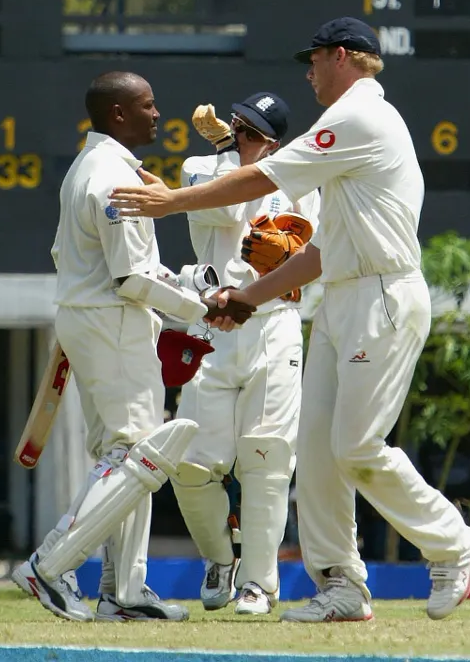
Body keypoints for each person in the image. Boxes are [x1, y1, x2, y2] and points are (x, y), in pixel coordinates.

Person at [109, 18, 470, 623]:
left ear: (342, 56)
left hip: (381, 296)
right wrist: (247, 298)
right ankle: (341, 585)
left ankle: (451, 540)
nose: (307, 72)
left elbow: (263, 176)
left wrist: (173, 200)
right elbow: (317, 253)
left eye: (313, 60)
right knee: (315, 454)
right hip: (340, 297)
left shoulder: (360, 116)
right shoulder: (346, 133)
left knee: (357, 447)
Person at [11, 70, 251, 624]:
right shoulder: (114, 180)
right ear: (118, 113)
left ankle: (124, 592)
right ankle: (49, 566)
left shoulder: (88, 168)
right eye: (146, 106)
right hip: (114, 322)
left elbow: (91, 261)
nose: (156, 114)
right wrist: (204, 307)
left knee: (124, 456)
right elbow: (131, 279)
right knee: (137, 456)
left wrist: (189, 288)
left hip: (93, 320)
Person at [172, 92, 320, 616]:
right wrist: (235, 156)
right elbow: (227, 202)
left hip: (273, 325)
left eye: (253, 132)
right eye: (236, 127)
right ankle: (219, 559)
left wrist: (292, 255)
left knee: (267, 457)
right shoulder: (199, 167)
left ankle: (260, 583)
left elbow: (313, 254)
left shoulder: (301, 183)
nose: (240, 137)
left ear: (275, 141)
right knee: (191, 464)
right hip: (213, 325)